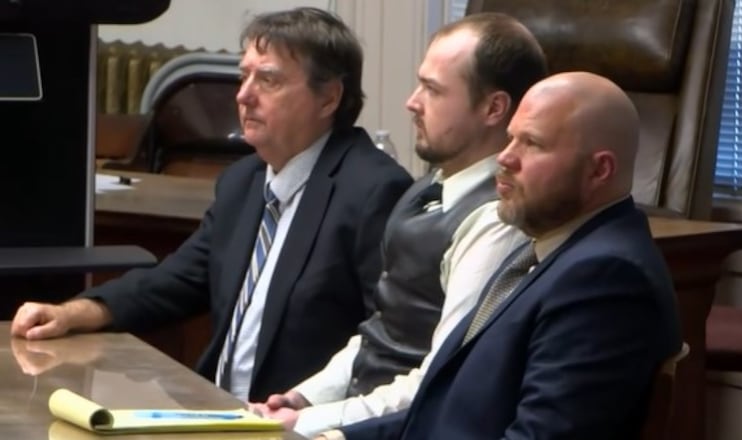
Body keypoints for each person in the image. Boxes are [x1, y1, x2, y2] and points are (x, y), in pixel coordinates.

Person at [10, 7, 413, 402]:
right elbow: (178, 280)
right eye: (244, 76)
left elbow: (387, 340)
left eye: (268, 80)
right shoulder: (244, 182)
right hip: (216, 411)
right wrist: (74, 313)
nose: (243, 95)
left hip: (298, 423)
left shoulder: (372, 191)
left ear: (328, 98)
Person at [331, 71, 683, 440]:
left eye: (531, 143)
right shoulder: (549, 250)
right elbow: (442, 408)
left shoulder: (606, 280)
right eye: (510, 137)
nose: (505, 158)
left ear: (599, 170)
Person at [255, 13, 548, 437]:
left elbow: (440, 379)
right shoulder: (426, 189)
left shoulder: (497, 221)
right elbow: (381, 329)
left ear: (494, 108)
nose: (412, 101)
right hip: (357, 415)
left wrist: (310, 422)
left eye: (432, 89)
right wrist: (308, 396)